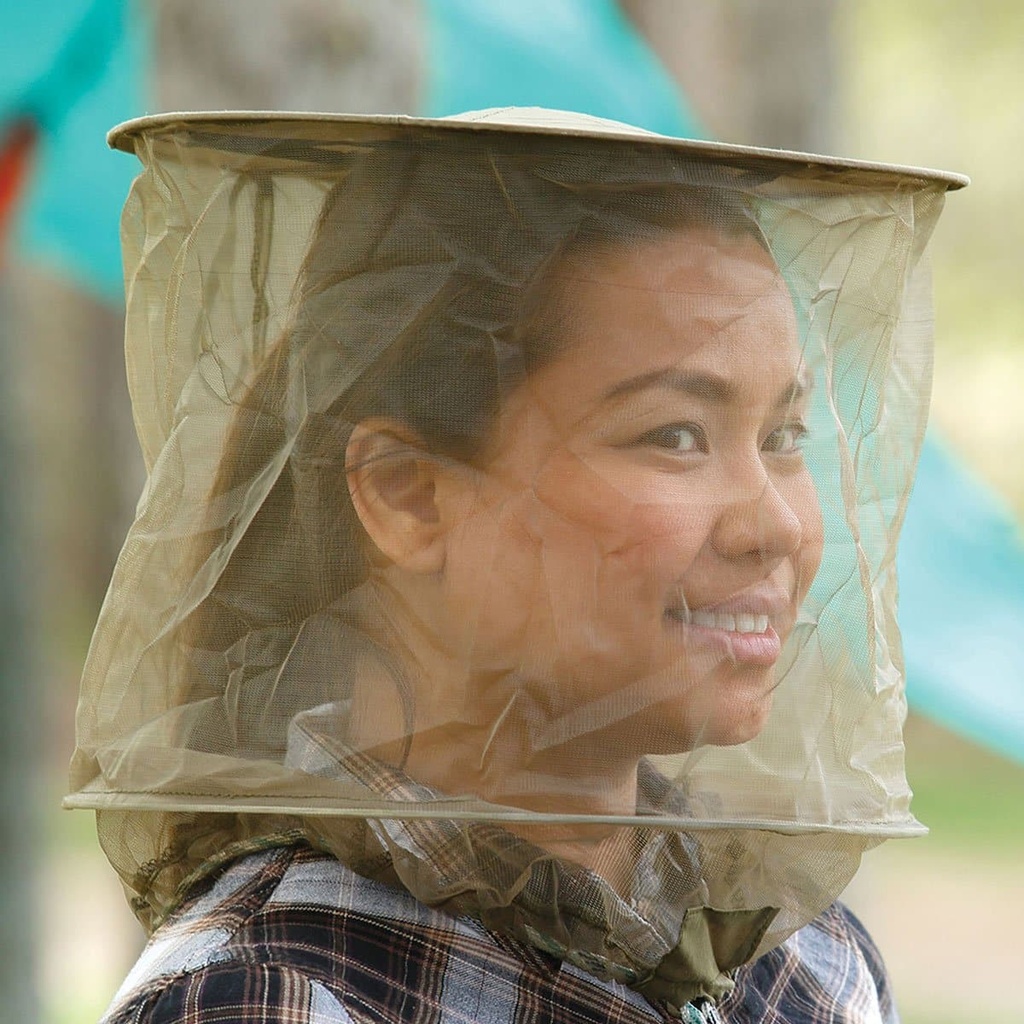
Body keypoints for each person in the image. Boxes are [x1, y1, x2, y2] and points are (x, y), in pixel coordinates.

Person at [67, 108, 965, 1022]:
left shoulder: (811, 966)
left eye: (783, 436)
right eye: (676, 434)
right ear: (407, 494)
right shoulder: (270, 1001)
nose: (774, 523)